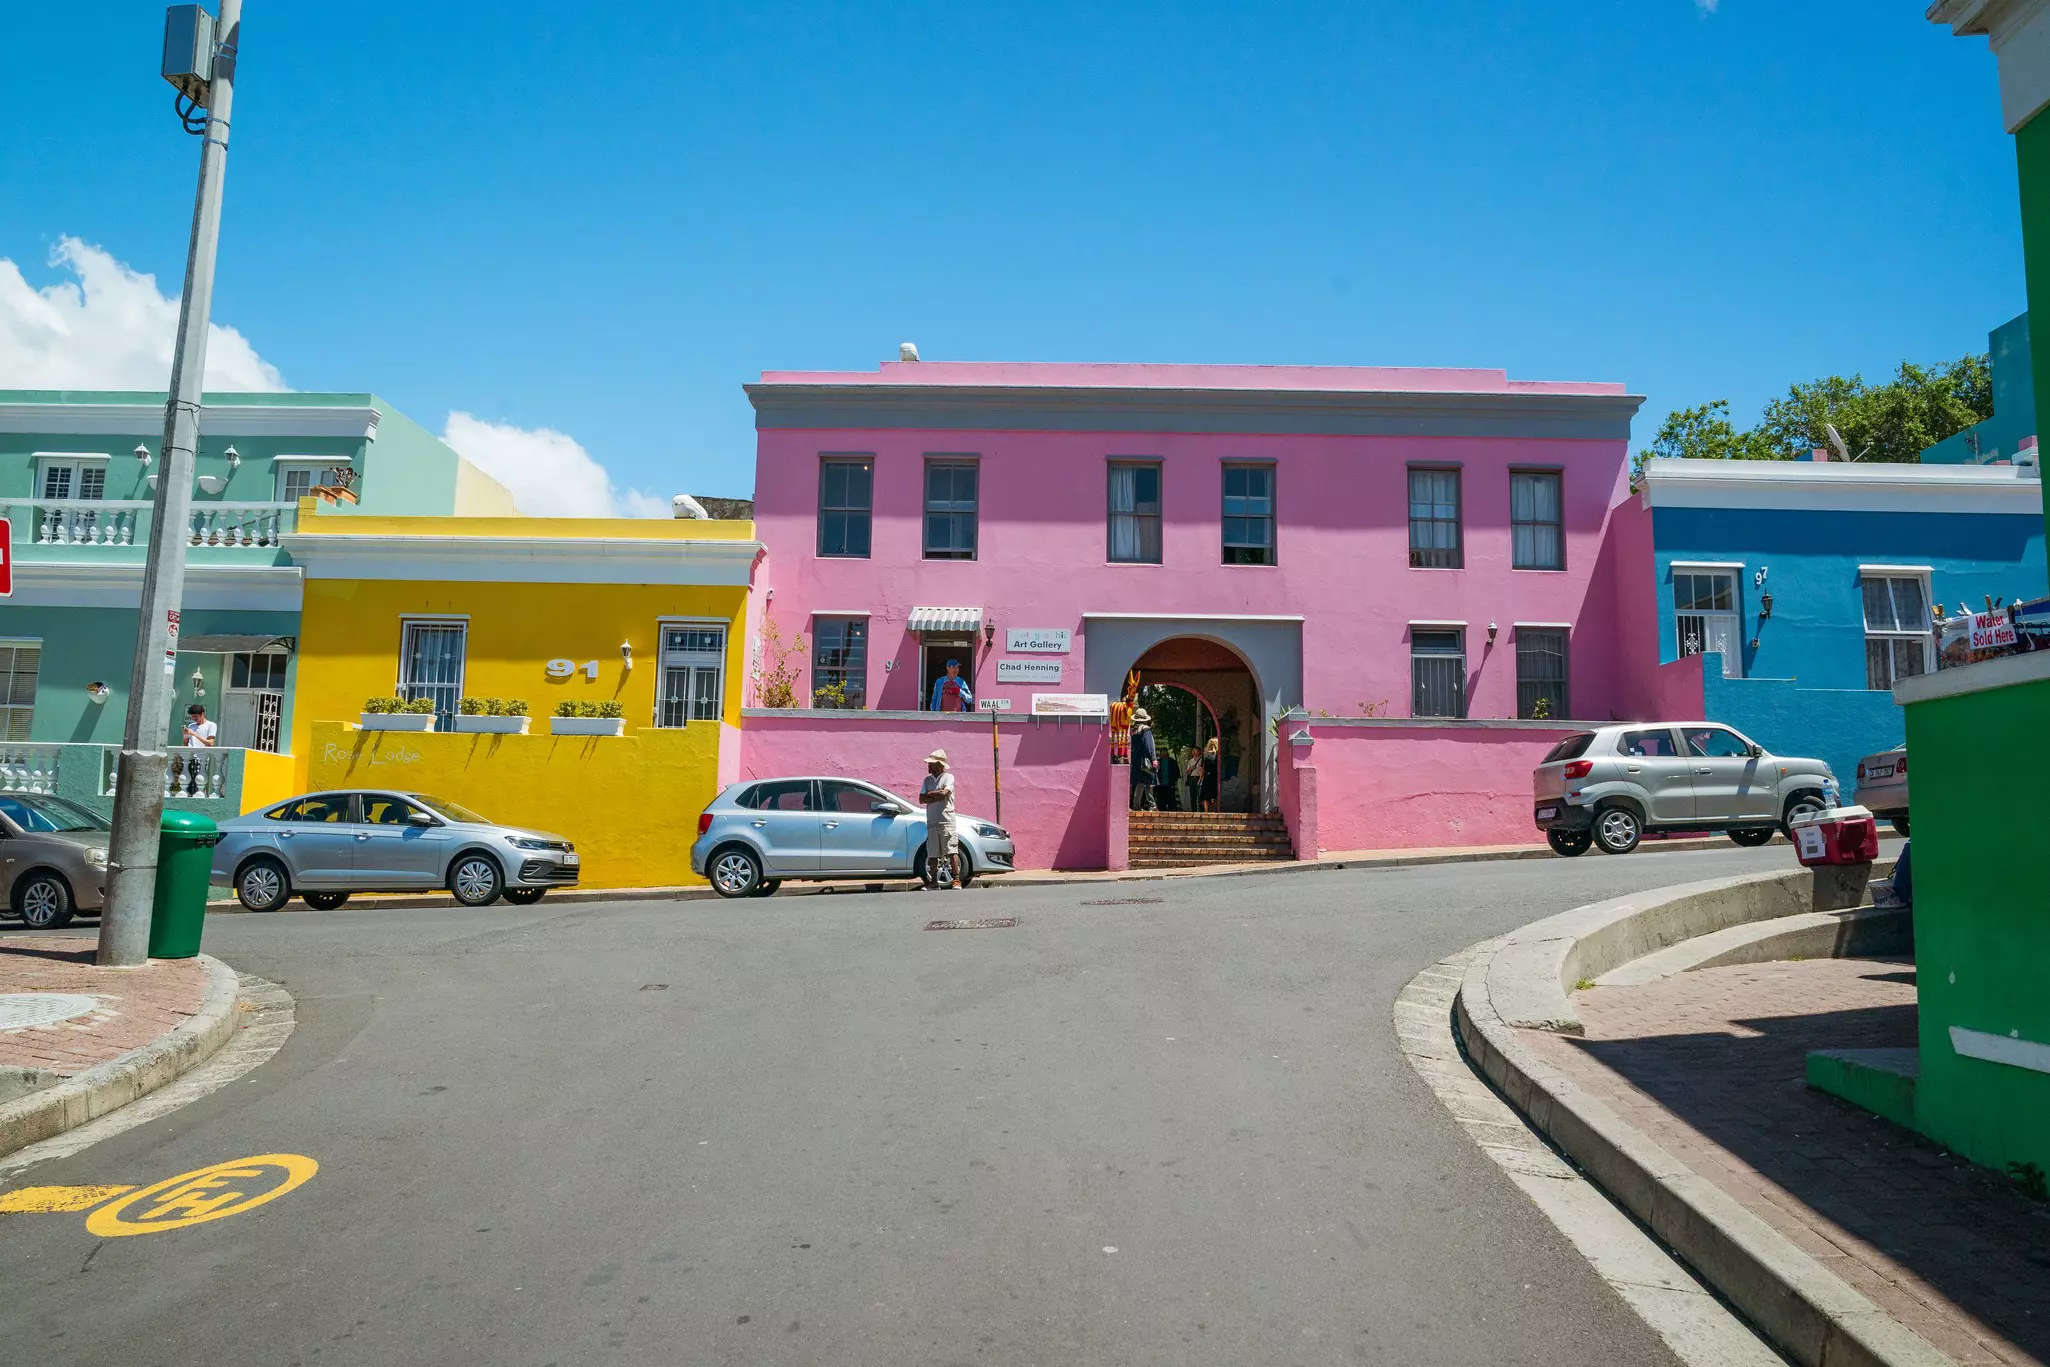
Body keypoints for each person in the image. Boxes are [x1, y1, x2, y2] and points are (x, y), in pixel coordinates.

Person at [919, 748, 960, 888]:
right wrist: (935, 795)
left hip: (946, 820)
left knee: (951, 850)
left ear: (939, 765)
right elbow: (921, 799)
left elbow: (944, 794)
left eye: (931, 764)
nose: (928, 766)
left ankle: (956, 879)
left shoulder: (948, 777)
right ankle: (934, 881)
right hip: (932, 821)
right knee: (933, 853)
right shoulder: (927, 780)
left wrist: (930, 794)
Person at [1129, 708, 1158, 811]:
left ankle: (1136, 805)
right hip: (1145, 760)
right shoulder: (1146, 729)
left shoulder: (1132, 730)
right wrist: (1153, 758)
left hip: (1135, 760)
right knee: (1149, 781)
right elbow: (1149, 745)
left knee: (1139, 782)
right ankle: (1152, 805)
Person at [1156, 746, 1181, 811]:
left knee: (1171, 800)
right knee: (1161, 800)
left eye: (1165, 751)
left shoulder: (1172, 761)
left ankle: (1172, 811)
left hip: (1169, 784)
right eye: (1162, 752)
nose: (1163, 753)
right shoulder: (1158, 762)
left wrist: (1173, 781)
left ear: (1167, 752)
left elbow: (1176, 773)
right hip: (1160, 784)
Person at [1200, 735, 1221, 812]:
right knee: (1214, 794)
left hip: (1207, 776)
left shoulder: (1206, 755)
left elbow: (1203, 768)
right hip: (1215, 776)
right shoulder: (1218, 755)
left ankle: (1206, 811)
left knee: (1206, 795)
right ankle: (1215, 810)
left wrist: (1200, 779)